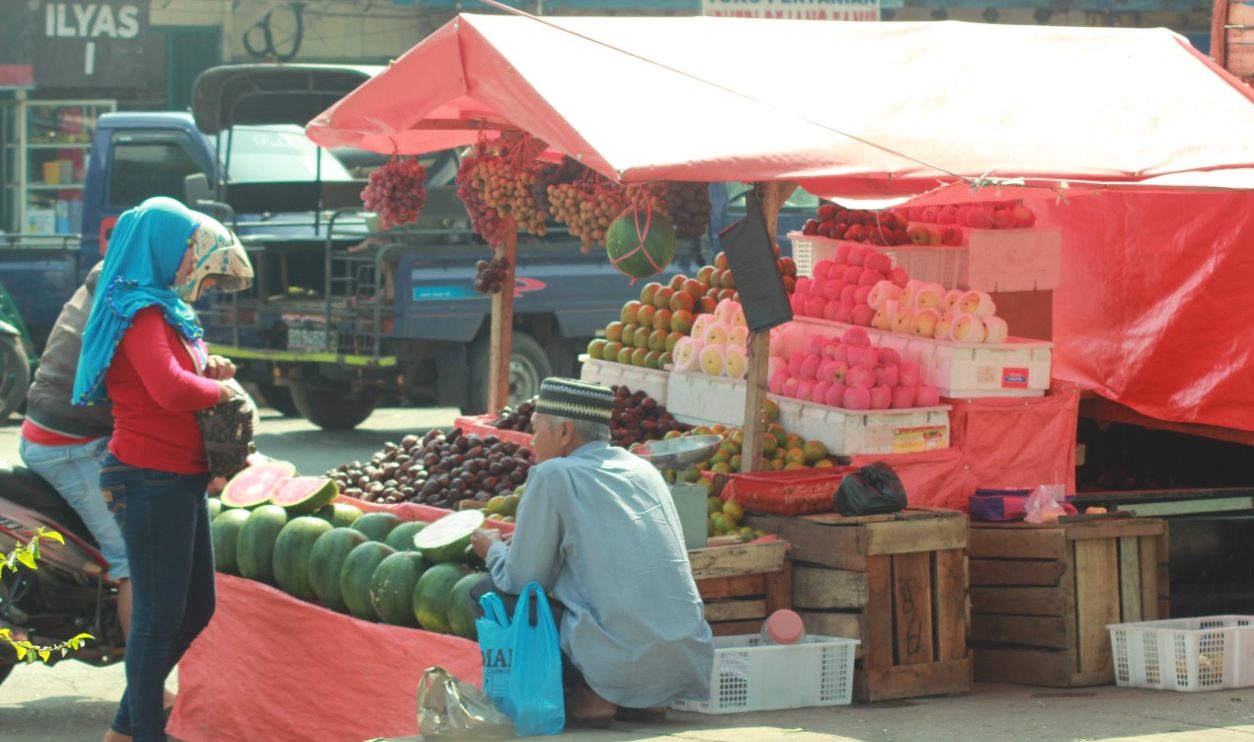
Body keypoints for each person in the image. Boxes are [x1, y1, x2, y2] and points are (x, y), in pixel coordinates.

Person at [72, 196, 253, 742]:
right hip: (149, 478)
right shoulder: (141, 310)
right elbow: (169, 388)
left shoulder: (162, 308)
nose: (190, 263)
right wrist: (222, 388)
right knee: (156, 620)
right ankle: (143, 733)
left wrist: (211, 367)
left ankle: (127, 728)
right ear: (160, 249)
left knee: (196, 607)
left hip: (178, 478)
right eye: (185, 251)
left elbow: (178, 371)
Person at [469, 377, 713, 728]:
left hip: (618, 659)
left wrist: (492, 550)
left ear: (566, 432)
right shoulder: (644, 470)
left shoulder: (553, 475)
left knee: (486, 593)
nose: (533, 442)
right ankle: (644, 700)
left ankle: (593, 696)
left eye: (537, 431)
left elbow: (523, 580)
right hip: (683, 657)